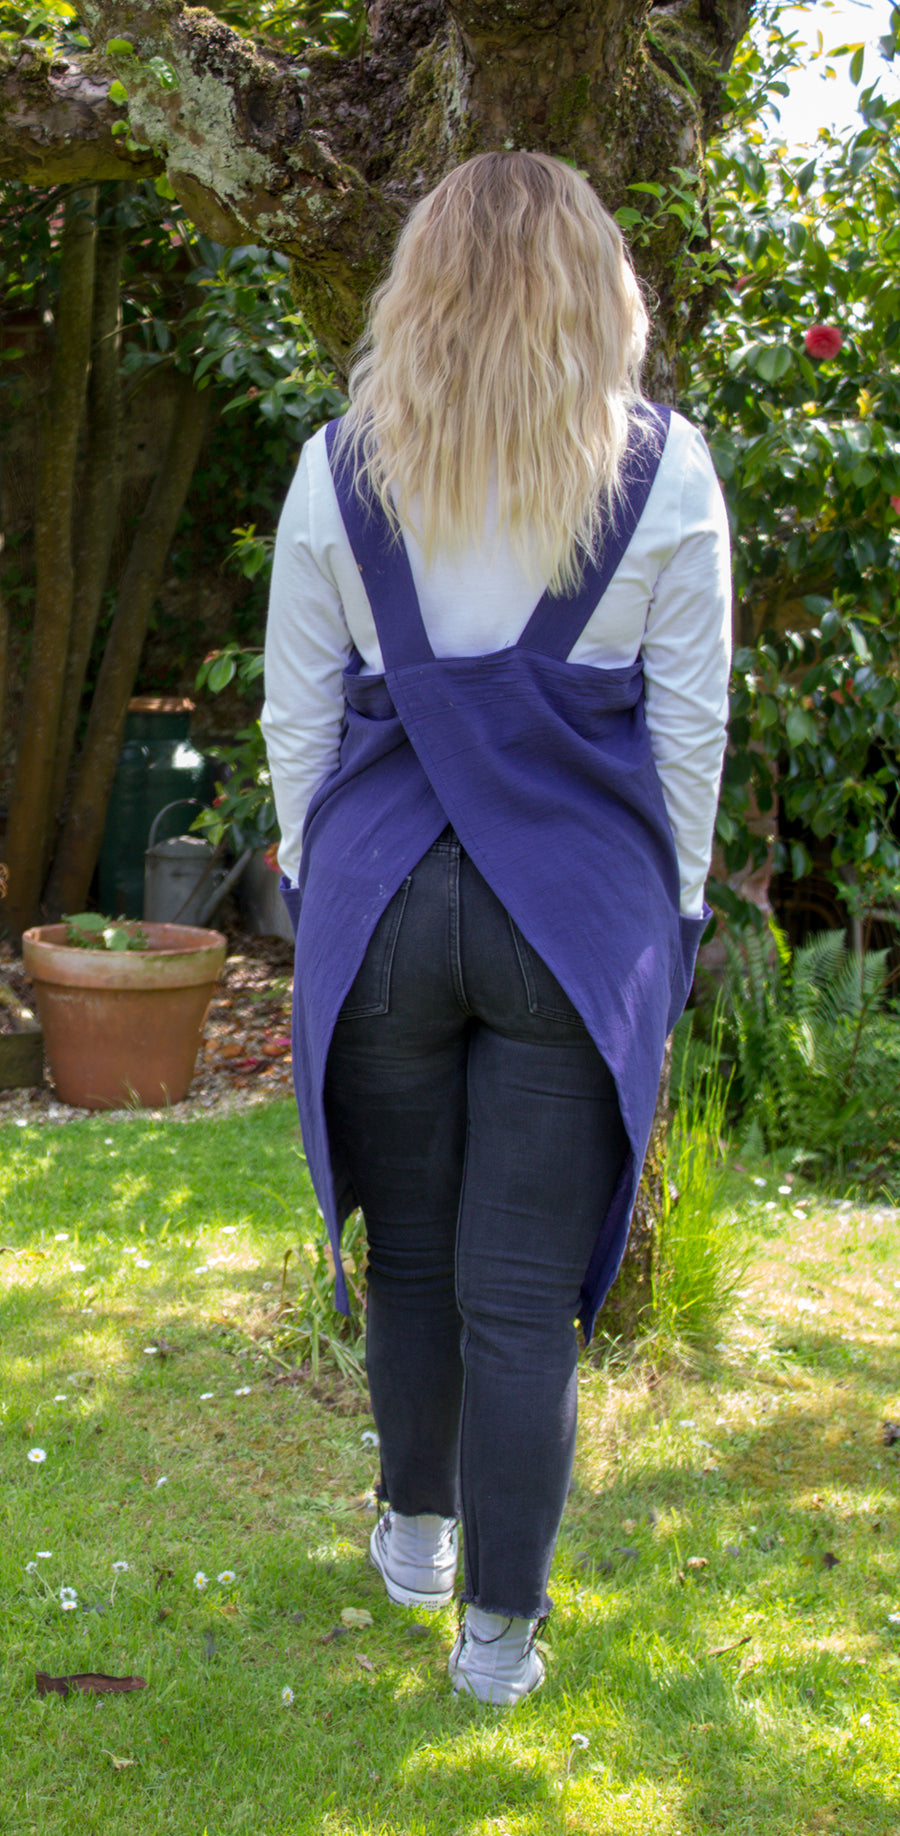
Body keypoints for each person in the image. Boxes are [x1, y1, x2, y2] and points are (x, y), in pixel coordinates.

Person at [262, 150, 731, 1706]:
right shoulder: (665, 471)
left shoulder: (340, 466)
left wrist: (312, 882)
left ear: (423, 293)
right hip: (570, 915)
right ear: (600, 296)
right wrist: (666, 918)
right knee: (518, 1291)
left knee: (410, 1265)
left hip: (384, 897)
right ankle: (496, 1639)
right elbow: (689, 733)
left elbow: (299, 724)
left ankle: (411, 1529)